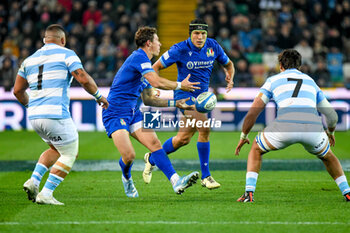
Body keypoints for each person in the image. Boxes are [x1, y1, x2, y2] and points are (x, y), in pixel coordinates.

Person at [235, 49, 350, 202]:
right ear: (299, 65)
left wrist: (244, 136)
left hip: (285, 126)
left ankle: (249, 193)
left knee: (256, 148)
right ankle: (347, 192)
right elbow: (332, 116)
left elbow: (253, 112)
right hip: (313, 128)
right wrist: (330, 132)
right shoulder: (310, 81)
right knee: (328, 156)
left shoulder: (272, 80)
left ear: (280, 65)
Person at [13, 24, 109, 205]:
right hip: (55, 113)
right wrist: (98, 95)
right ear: (63, 40)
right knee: (70, 153)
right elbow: (81, 77)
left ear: (44, 40)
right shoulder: (67, 54)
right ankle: (46, 193)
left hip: (34, 116)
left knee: (56, 149)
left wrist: (31, 106)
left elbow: (17, 90)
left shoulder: (29, 60)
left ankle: (33, 180)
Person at [102, 26, 201, 198]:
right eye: (157, 41)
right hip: (116, 112)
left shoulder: (143, 65)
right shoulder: (139, 57)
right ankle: (126, 177)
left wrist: (176, 103)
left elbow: (149, 99)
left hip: (134, 112)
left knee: (155, 144)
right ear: (149, 43)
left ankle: (176, 181)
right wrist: (180, 86)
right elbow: (155, 81)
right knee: (129, 155)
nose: (160, 44)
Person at [143, 19, 235, 189]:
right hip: (184, 95)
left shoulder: (213, 46)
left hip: (200, 98)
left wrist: (230, 76)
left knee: (182, 139)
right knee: (205, 127)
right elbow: (154, 67)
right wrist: (152, 86)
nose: (200, 37)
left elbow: (229, 64)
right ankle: (206, 176)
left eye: (203, 34)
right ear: (190, 34)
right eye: (196, 34)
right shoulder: (179, 49)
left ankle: (152, 158)